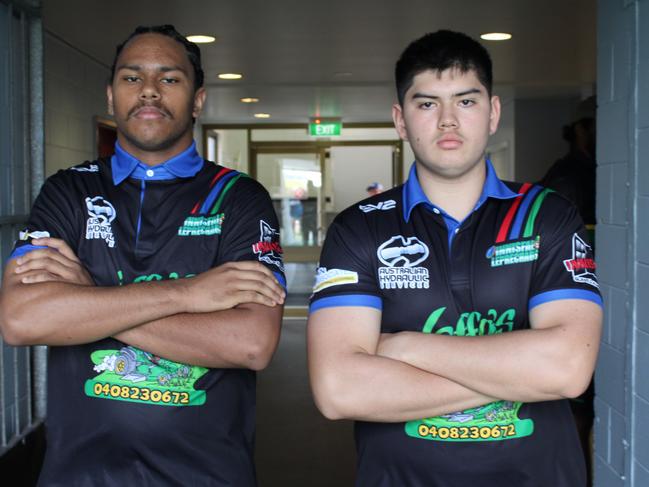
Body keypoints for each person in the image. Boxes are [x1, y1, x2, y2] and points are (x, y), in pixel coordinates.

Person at [307, 30, 602, 486]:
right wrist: (519, 374)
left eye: (466, 101)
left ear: (493, 113)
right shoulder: (359, 228)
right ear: (400, 120)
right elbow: (339, 390)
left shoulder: (547, 216)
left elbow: (566, 370)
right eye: (427, 104)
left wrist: (402, 347)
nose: (448, 121)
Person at [0, 25, 285, 486]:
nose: (149, 90)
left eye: (169, 79)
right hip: (78, 475)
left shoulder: (238, 198)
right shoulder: (68, 191)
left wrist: (87, 296)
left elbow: (250, 344)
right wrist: (190, 293)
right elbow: (22, 320)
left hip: (206, 475)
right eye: (132, 78)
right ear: (111, 96)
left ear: (197, 99)